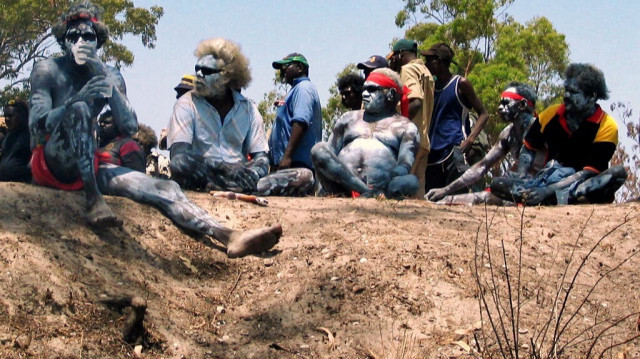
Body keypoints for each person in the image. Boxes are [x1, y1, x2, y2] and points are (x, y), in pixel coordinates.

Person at [28, 2, 281, 258]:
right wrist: (75, 100)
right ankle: (94, 201)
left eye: (88, 37)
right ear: (63, 41)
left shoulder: (109, 74)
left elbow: (128, 127)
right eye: (73, 36)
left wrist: (105, 79)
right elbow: (37, 127)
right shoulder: (48, 70)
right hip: (53, 163)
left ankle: (227, 235)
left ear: (99, 42)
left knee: (166, 188)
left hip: (90, 166)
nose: (81, 42)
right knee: (81, 109)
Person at [168, 39, 313, 196]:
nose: (198, 74)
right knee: (179, 164)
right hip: (204, 174)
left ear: (226, 76)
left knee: (305, 176)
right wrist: (224, 169)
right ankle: (230, 187)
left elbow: (261, 157)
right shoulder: (186, 104)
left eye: (207, 71)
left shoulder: (248, 109)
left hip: (241, 178)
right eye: (197, 69)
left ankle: (235, 187)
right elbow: (179, 154)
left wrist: (253, 174)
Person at [491, 63, 627, 205]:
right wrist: (522, 174)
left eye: (573, 92)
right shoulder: (551, 114)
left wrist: (547, 191)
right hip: (545, 181)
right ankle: (544, 198)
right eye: (566, 90)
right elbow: (529, 147)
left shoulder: (606, 125)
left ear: (592, 96)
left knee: (618, 174)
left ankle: (554, 198)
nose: (566, 95)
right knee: (497, 184)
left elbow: (589, 172)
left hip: (579, 185)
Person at [311, 68, 419, 199]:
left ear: (391, 94)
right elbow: (327, 156)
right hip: (341, 188)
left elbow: (404, 167)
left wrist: (385, 185)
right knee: (318, 149)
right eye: (364, 89)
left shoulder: (406, 127)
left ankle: (372, 194)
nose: (364, 94)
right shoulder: (348, 118)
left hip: (383, 191)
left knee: (411, 181)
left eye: (372, 89)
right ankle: (365, 192)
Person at [426, 82, 537, 204]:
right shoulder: (508, 134)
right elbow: (482, 166)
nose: (500, 107)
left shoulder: (539, 128)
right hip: (520, 188)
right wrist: (445, 191)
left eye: (505, 103)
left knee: (489, 193)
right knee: (496, 185)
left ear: (522, 105)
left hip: (539, 188)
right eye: (500, 103)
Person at [422, 43, 489, 193]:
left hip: (454, 151)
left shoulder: (460, 84)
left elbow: (484, 114)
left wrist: (470, 140)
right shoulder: (430, 87)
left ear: (439, 61)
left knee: (456, 199)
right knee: (432, 199)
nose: (426, 64)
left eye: (429, 60)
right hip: (432, 154)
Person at [388, 39, 434, 198]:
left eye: (393, 57)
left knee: (399, 192)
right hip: (424, 141)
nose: (392, 61)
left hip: (410, 142)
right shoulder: (425, 71)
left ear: (400, 54)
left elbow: (416, 101)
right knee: (417, 197)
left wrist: (398, 124)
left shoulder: (407, 70)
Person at [269, 53, 322, 174]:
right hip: (287, 163)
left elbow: (300, 122)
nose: (282, 72)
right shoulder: (294, 90)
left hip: (297, 164)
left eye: (285, 67)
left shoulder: (303, 88)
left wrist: (287, 156)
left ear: (300, 68)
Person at [0, 99, 32, 182]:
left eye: (11, 116)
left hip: (24, 184)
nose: (7, 119)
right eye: (5, 115)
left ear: (22, 116)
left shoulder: (30, 135)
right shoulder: (8, 136)